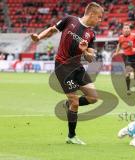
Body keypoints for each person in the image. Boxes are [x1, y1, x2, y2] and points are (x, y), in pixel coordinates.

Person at [31, 2, 104, 145]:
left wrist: (84, 50)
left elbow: (90, 58)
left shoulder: (91, 34)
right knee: (75, 101)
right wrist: (39, 37)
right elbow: (52, 30)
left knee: (93, 98)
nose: (100, 20)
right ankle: (71, 136)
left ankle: (67, 104)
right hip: (63, 67)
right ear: (92, 14)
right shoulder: (70, 20)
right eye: (99, 17)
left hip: (77, 67)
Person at [113, 23, 135, 95]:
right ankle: (128, 89)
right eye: (125, 28)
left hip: (134, 56)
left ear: (130, 29)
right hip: (126, 57)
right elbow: (119, 45)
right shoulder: (121, 37)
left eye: (127, 28)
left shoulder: (134, 36)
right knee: (127, 73)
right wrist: (116, 52)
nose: (126, 30)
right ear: (122, 30)